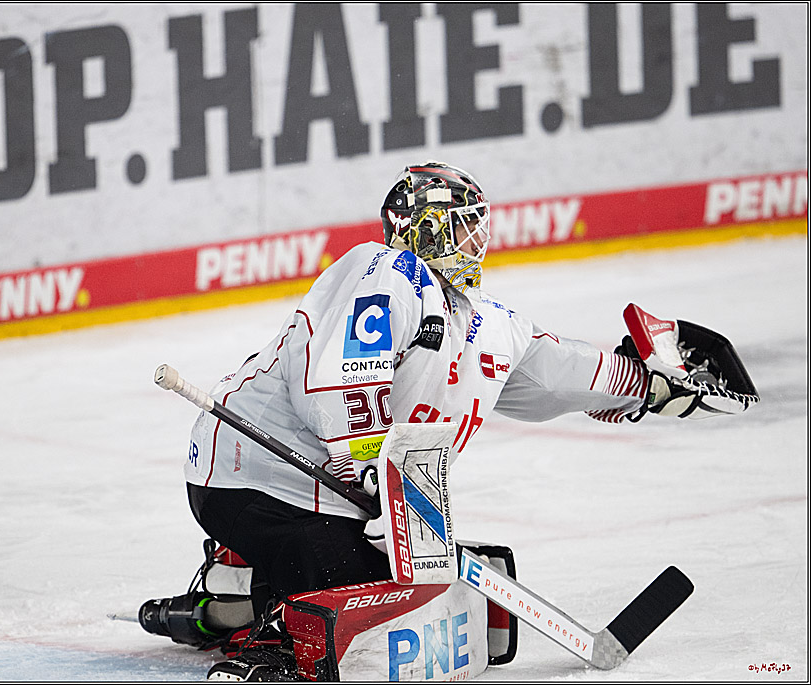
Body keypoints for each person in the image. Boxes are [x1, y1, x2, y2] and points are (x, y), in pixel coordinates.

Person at [139, 161, 757, 681]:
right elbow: (337, 381)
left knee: (401, 595)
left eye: (477, 226)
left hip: (345, 496)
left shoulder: (486, 320)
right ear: (425, 228)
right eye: (460, 226)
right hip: (256, 478)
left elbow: (553, 372)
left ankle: (225, 598)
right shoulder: (385, 271)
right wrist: (370, 474)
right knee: (352, 590)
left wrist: (646, 384)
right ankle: (253, 621)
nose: (475, 241)